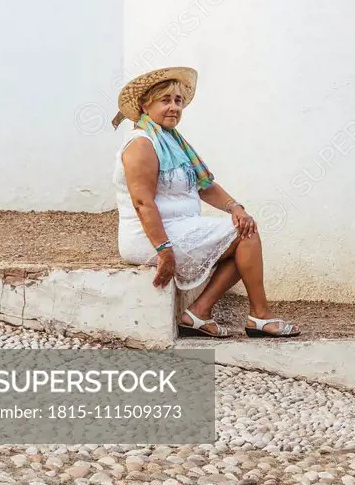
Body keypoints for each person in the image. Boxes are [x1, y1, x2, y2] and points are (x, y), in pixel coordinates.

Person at [111, 66, 300, 339]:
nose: (174, 107)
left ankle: (200, 313)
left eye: (178, 101)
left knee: (244, 230)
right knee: (244, 237)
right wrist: (164, 251)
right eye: (165, 100)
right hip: (149, 235)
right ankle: (259, 316)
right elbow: (142, 203)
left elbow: (205, 186)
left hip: (179, 226)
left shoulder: (173, 141)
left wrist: (236, 208)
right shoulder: (142, 144)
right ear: (145, 105)